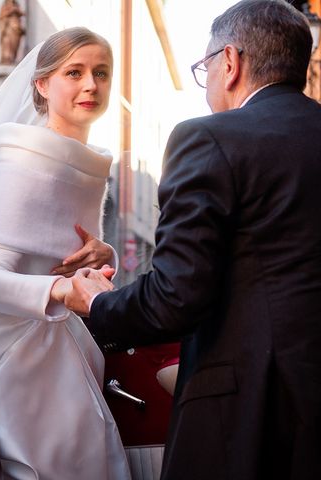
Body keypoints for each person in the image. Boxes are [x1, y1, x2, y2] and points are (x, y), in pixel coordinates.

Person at [63, 1, 321, 479]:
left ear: (230, 62)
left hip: (254, 419)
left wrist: (100, 303)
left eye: (204, 67)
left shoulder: (209, 138)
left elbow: (176, 297)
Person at [0, 27, 129, 479]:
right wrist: (59, 289)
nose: (92, 84)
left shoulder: (91, 159)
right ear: (42, 84)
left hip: (60, 335)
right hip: (7, 342)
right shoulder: (23, 156)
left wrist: (102, 251)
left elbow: (76, 251)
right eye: (75, 72)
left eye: (102, 73)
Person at [0, 0, 25, 66]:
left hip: (15, 29)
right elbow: (1, 16)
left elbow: (22, 13)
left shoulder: (16, 4)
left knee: (15, 45)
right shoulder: (4, 5)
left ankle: (13, 59)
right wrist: (10, 11)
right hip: (8, 28)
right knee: (7, 44)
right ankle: (6, 60)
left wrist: (16, 10)